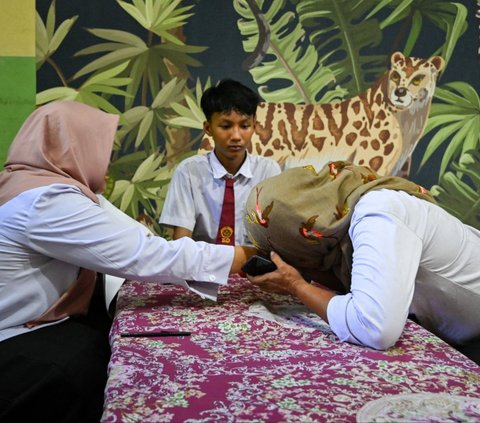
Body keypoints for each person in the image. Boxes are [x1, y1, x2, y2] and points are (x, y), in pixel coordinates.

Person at [0, 101, 256, 423]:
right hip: (14, 336)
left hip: (29, 321)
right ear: (73, 147)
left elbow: (142, 240)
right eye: (100, 148)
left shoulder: (37, 185)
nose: (106, 161)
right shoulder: (46, 201)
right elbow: (149, 255)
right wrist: (248, 256)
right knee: (91, 365)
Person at [243, 162, 480, 361]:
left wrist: (296, 286)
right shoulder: (342, 224)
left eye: (280, 250)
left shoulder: (379, 214)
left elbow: (375, 329)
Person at [159, 79, 281, 245]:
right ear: (208, 128)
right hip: (203, 266)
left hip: (253, 265)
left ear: (254, 126)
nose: (236, 136)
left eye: (245, 126)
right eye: (225, 126)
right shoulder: (188, 171)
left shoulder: (268, 171)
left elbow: (275, 238)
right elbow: (182, 244)